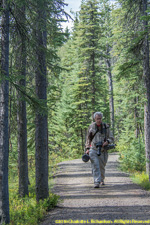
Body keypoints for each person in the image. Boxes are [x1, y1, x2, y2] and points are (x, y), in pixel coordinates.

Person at [85, 112, 114, 188]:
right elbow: (88, 139)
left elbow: (111, 137)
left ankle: (101, 179)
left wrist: (107, 142)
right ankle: (96, 181)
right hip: (93, 149)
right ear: (95, 119)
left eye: (100, 118)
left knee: (102, 166)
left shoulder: (105, 127)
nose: (99, 120)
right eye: (97, 119)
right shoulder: (91, 127)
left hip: (103, 150)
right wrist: (88, 148)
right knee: (95, 165)